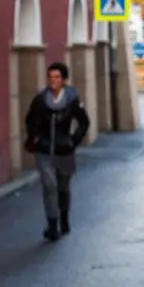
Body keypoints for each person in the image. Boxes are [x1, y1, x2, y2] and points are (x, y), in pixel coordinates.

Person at [24, 62, 91, 241]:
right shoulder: (40, 100)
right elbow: (29, 119)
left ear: (63, 80)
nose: (53, 81)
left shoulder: (72, 99)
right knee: (49, 186)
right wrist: (34, 138)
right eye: (50, 77)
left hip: (64, 151)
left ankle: (64, 219)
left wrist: (73, 141)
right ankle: (52, 225)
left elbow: (84, 122)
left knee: (63, 187)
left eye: (56, 77)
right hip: (44, 150)